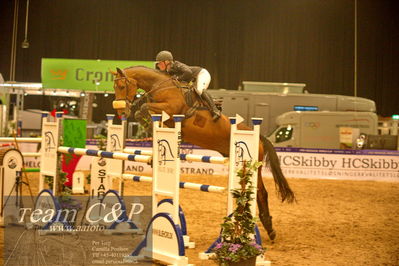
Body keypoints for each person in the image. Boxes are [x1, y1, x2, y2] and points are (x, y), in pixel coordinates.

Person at [155, 50, 221, 120]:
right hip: (194, 80)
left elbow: (188, 73)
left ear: (167, 62)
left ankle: (215, 110)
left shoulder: (176, 65)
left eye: (160, 63)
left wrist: (177, 78)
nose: (158, 65)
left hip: (202, 74)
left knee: (199, 90)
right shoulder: (169, 72)